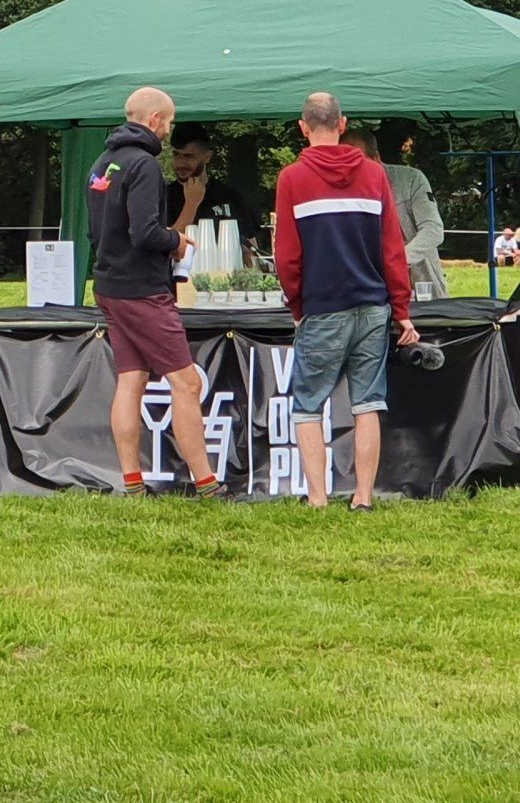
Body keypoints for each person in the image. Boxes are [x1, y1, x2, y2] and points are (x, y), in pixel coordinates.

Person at [274, 93, 419, 511]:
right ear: (342, 124)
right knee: (368, 403)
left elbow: (287, 256)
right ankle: (363, 496)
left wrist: (297, 306)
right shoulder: (374, 175)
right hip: (372, 306)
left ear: (303, 128)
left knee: (308, 405)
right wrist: (401, 309)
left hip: (322, 307)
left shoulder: (292, 179)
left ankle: (318, 497)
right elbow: (392, 248)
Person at [88, 87, 224, 499]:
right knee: (187, 383)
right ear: (153, 120)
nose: (168, 130)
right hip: (142, 290)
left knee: (131, 379)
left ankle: (133, 483)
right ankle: (207, 483)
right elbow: (145, 233)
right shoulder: (144, 165)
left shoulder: (103, 162)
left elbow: (100, 230)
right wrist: (177, 241)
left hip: (109, 284)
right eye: (168, 122)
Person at [342, 127, 446, 297]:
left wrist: (397, 260)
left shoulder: (411, 179)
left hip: (421, 288)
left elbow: (433, 230)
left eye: (359, 162)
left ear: (376, 158)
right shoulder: (341, 191)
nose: (352, 169)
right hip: (370, 292)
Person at [166, 123, 260, 264]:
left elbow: (252, 249)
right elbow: (163, 247)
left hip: (225, 275)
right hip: (177, 275)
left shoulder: (229, 196)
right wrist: (191, 204)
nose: (180, 163)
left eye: (188, 156)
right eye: (176, 155)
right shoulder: (164, 196)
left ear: (207, 157)